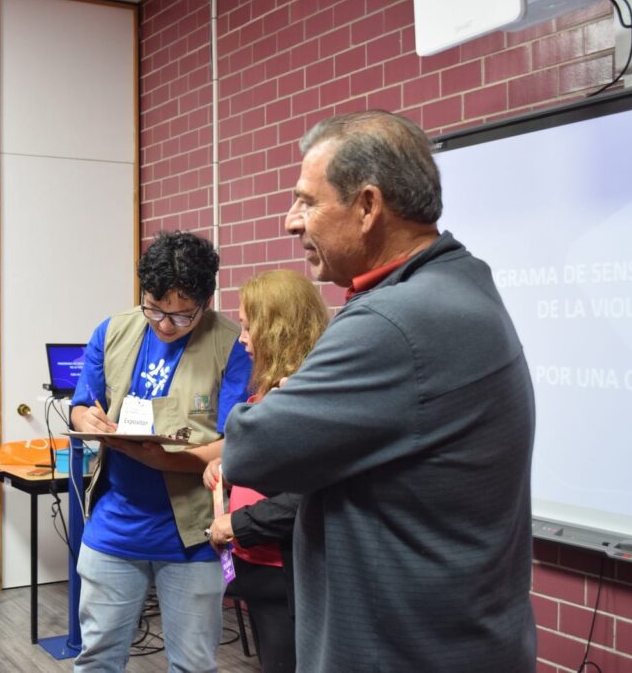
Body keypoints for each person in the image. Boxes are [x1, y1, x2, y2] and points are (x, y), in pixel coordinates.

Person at [223, 110, 537, 672]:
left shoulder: (395, 321)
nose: (291, 221)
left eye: (307, 201)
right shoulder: (459, 281)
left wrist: (282, 402)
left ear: (368, 206)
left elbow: (250, 451)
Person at [114, 269, 329, 672]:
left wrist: (236, 525)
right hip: (260, 570)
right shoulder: (271, 387)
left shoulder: (308, 396)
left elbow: (305, 494)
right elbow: (272, 464)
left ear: (278, 329)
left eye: (249, 327)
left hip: (287, 572)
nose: (242, 338)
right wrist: (228, 467)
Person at [69, 230, 252, 672]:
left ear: (205, 302)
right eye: (154, 308)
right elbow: (80, 405)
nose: (164, 325)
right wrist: (85, 421)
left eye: (181, 316)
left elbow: (234, 443)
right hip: (114, 528)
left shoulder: (231, 344)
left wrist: (158, 458)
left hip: (192, 536)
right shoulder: (113, 331)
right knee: (96, 659)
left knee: (192, 664)